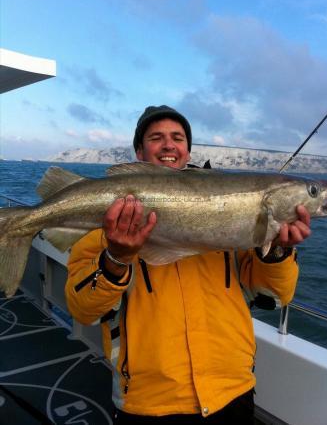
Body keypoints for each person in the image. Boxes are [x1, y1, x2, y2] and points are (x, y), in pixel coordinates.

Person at [65, 105, 311, 424]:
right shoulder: (107, 225)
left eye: (177, 137)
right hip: (149, 402)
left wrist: (276, 251)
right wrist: (116, 258)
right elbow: (82, 309)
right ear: (139, 152)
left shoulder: (238, 220)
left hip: (232, 391)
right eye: (156, 138)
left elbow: (272, 297)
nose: (169, 144)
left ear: (187, 150)